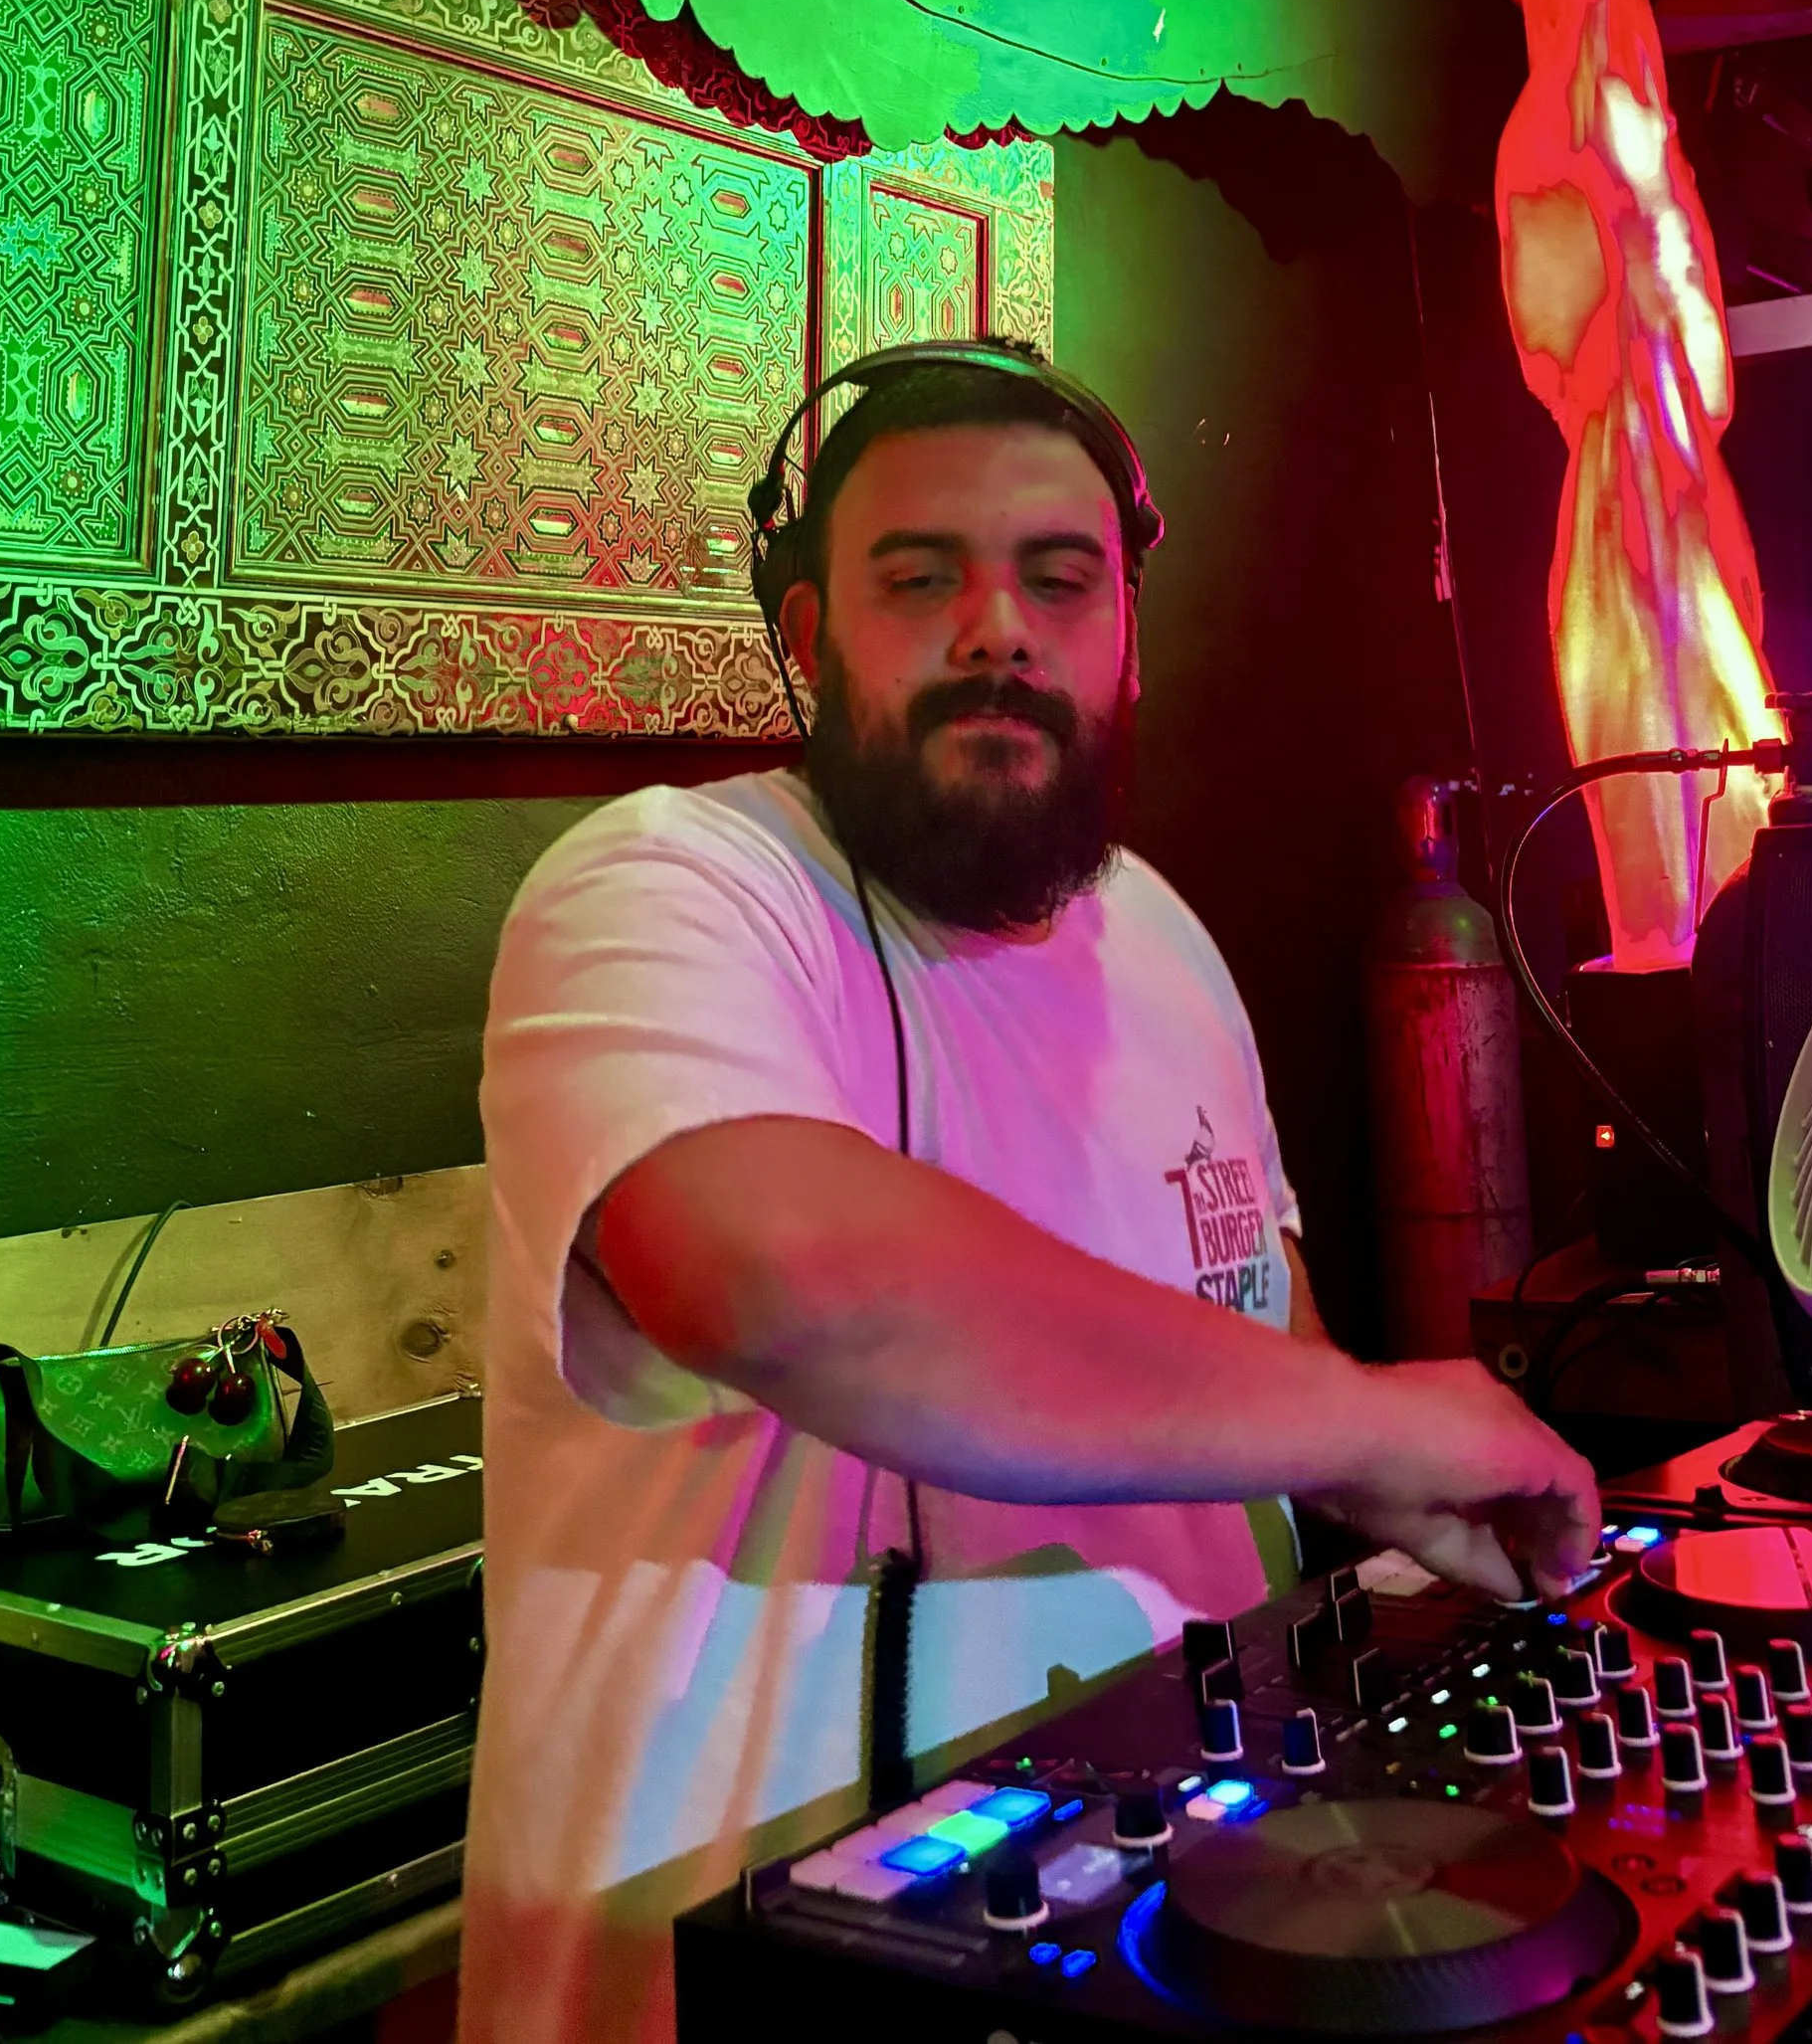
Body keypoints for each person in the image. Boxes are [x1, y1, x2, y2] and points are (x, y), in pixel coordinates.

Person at [458, 346, 1598, 2044]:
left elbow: (1261, 1344)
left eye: (1059, 581)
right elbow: (778, 1276)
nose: (999, 628)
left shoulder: (1167, 935)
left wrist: (1382, 1524)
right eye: (920, 579)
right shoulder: (663, 889)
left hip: (1177, 1940)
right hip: (708, 1982)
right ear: (803, 640)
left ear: (1128, 639)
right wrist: (1370, 1424)